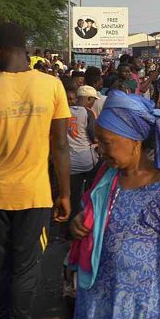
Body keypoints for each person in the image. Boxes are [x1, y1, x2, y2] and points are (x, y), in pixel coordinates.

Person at [68, 91, 160, 319]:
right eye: (98, 141)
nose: (99, 149)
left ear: (134, 140)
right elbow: (96, 216)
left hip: (144, 317)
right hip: (98, 310)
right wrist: (80, 222)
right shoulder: (107, 178)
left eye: (106, 142)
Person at [0, 22, 71, 319]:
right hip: (35, 196)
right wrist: (65, 194)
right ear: (25, 49)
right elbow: (60, 146)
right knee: (26, 269)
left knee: (0, 270)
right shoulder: (52, 86)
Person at [67, 85, 99, 229]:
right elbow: (93, 137)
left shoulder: (64, 111)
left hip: (69, 162)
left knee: (73, 196)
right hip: (87, 161)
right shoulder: (88, 113)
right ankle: (87, 223)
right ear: (89, 99)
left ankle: (69, 227)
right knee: (90, 192)